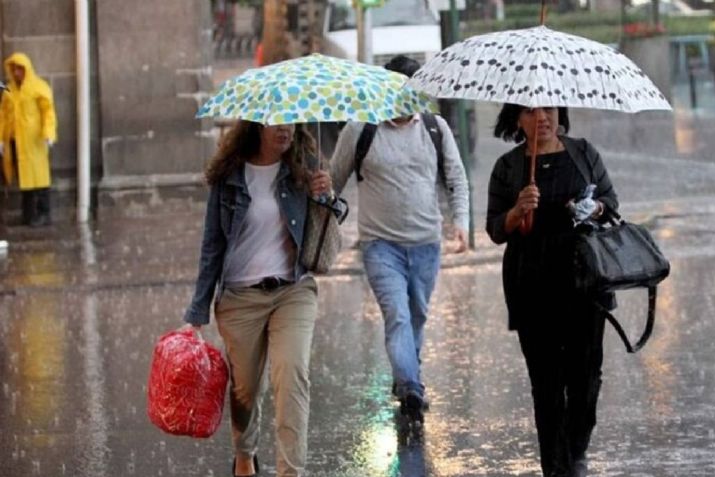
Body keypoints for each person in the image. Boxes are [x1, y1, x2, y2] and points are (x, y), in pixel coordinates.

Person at [184, 120, 337, 477]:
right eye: (275, 123)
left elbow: (323, 232)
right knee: (247, 390)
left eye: (290, 122)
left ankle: (291, 471)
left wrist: (324, 197)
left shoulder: (305, 166)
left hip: (293, 290)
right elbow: (212, 244)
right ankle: (244, 453)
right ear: (257, 125)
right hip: (240, 297)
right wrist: (198, 309)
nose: (285, 130)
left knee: (292, 375)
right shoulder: (230, 175)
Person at [329, 55, 470, 425]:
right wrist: (318, 211)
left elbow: (456, 177)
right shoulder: (361, 129)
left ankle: (407, 374)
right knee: (398, 315)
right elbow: (334, 181)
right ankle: (410, 387)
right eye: (399, 89)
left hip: (426, 243)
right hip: (380, 245)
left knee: (417, 316)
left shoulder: (435, 128)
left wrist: (461, 223)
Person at [485, 105, 619, 477]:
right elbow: (495, 229)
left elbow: (611, 204)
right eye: (530, 111)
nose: (542, 117)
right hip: (532, 287)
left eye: (549, 108)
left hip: (585, 284)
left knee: (586, 378)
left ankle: (575, 451)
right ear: (517, 120)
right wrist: (517, 211)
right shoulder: (508, 167)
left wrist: (594, 208)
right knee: (546, 384)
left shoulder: (584, 153)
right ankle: (556, 468)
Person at [0, 53, 57, 227]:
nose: (17, 73)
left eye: (20, 69)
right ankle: (29, 214)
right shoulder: (9, 91)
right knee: (24, 179)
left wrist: (48, 132)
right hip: (16, 141)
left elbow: (48, 112)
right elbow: (3, 116)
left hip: (35, 141)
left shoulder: (39, 88)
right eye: (14, 69)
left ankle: (44, 213)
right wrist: (1, 137)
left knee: (39, 178)